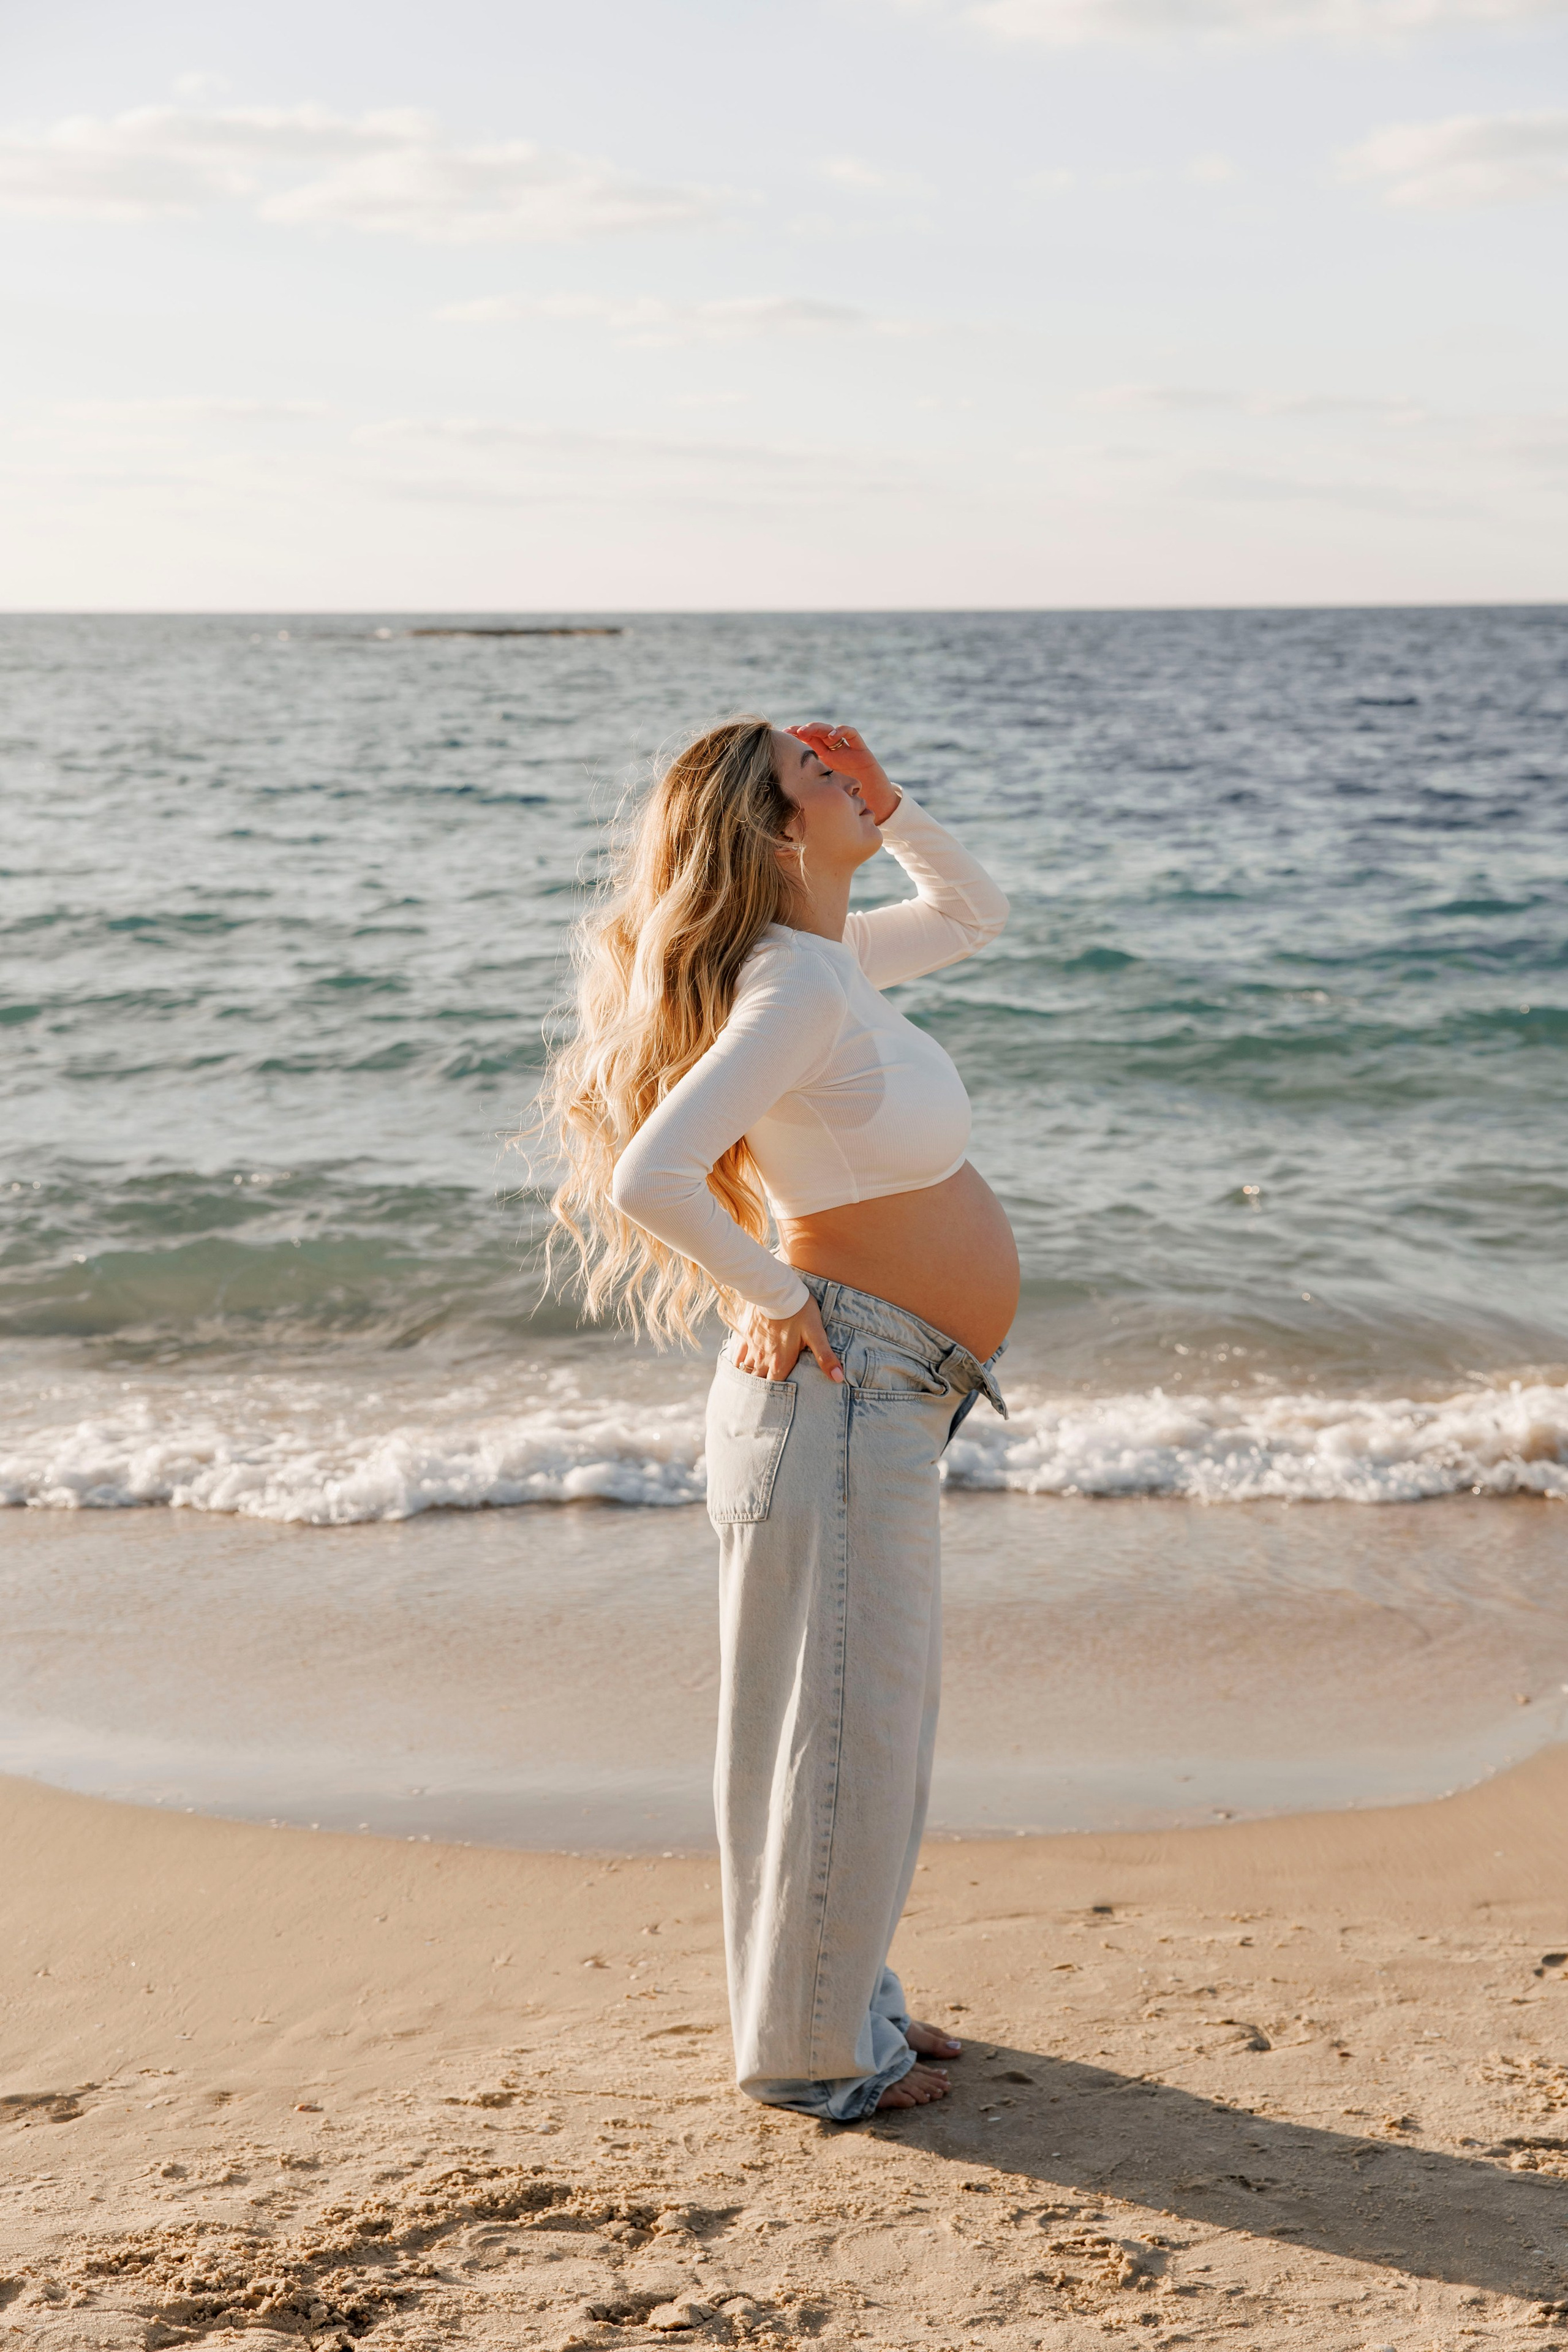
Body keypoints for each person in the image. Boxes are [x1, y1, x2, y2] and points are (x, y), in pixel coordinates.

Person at [542, 716, 1017, 2120]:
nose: (845, 780)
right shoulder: (795, 984)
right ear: (772, 830)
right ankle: (814, 2053)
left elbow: (973, 914)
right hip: (842, 1385)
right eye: (818, 775)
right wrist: (777, 1294)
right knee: (841, 1724)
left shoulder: (828, 960)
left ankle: (845, 1998)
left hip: (876, 1393)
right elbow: (650, 1175)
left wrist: (893, 800)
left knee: (868, 1717)